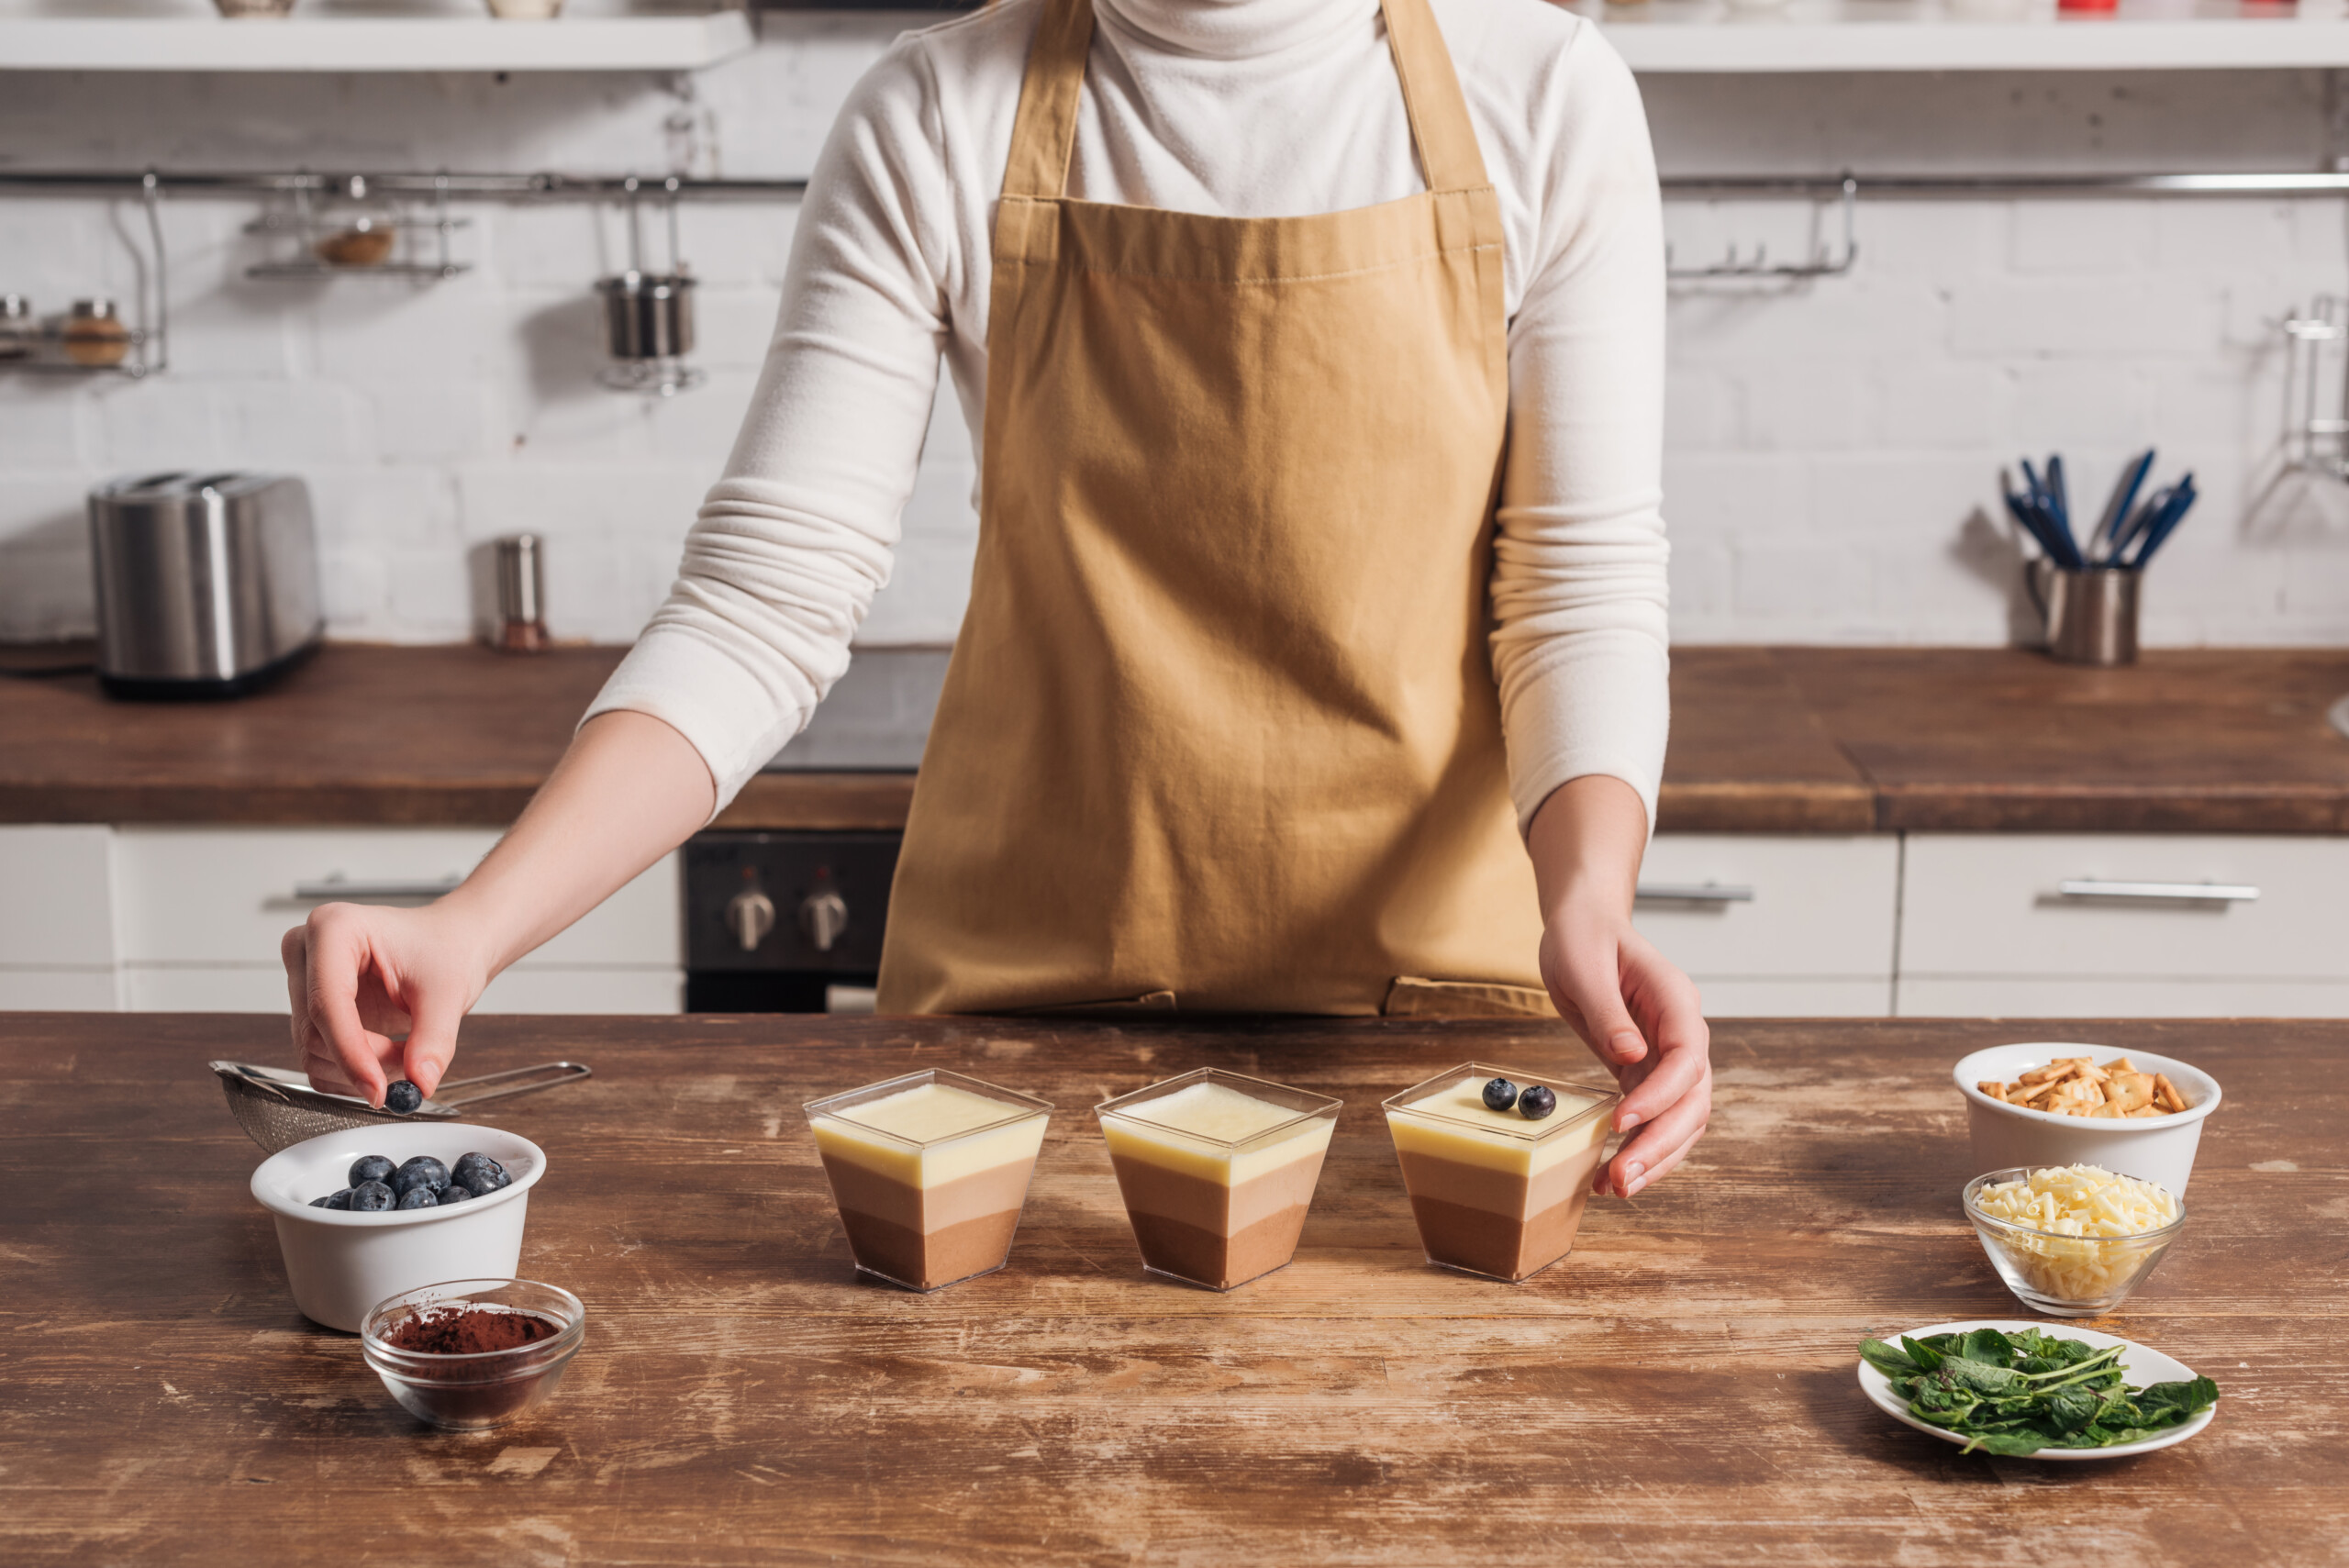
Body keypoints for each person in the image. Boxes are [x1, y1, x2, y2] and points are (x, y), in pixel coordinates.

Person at [283, 0, 1710, 1198]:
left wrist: (1588, 896)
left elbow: (1572, 586)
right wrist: (474, 923)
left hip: (1422, 1054)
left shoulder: (1544, 95)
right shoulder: (938, 113)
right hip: (1020, 1052)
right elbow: (765, 602)